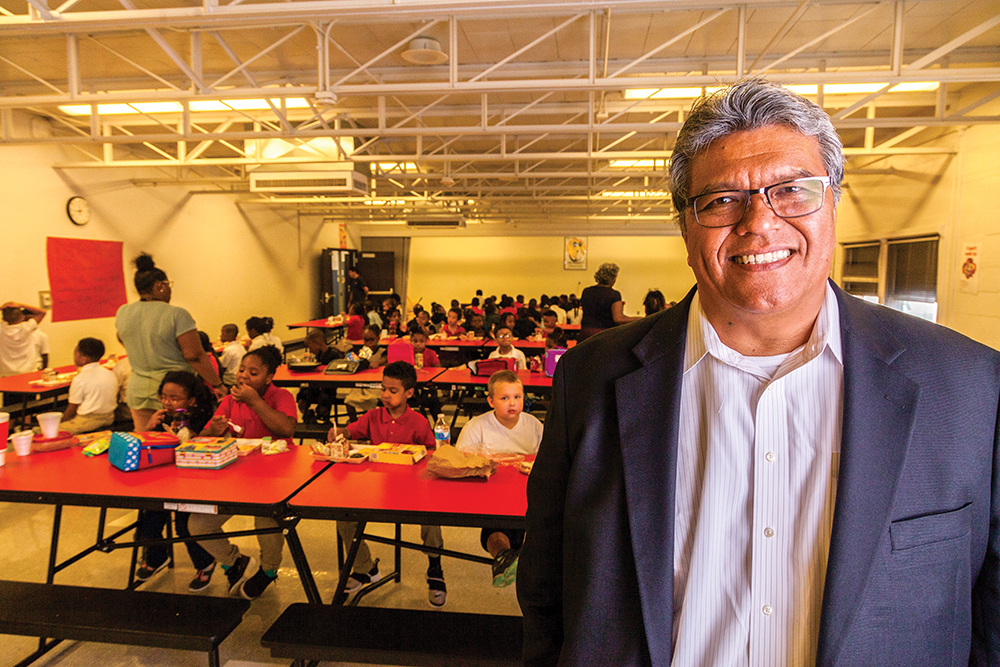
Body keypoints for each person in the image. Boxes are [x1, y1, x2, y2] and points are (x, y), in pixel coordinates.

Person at [518, 77, 1000, 666]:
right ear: (685, 225)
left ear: (834, 202)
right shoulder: (589, 380)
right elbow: (545, 595)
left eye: (792, 191)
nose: (759, 222)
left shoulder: (968, 386)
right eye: (721, 200)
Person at [326, 361, 448, 607]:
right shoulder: (373, 416)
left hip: (412, 487)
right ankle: (365, 567)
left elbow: (433, 453)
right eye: (383, 389)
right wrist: (340, 435)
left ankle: (435, 565)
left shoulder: (419, 422)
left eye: (392, 391)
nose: (385, 395)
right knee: (344, 515)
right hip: (377, 486)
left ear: (409, 393)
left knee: (431, 516)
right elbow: (352, 432)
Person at [190, 345, 297, 600]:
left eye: (253, 372)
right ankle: (233, 561)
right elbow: (202, 438)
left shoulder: (281, 396)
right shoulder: (229, 400)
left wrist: (255, 401)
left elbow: (286, 429)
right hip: (237, 476)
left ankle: (269, 570)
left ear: (269, 377)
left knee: (266, 522)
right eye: (241, 370)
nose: (244, 377)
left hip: (275, 477)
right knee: (198, 523)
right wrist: (212, 431)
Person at [115, 255, 225, 430]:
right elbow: (194, 356)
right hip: (174, 392)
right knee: (180, 442)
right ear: (160, 285)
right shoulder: (176, 315)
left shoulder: (123, 312)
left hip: (138, 390)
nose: (169, 290)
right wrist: (217, 384)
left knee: (148, 443)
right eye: (168, 285)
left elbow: (122, 338)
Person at [456, 370, 542, 588]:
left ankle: (504, 556)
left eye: (517, 397)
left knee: (524, 516)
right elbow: (461, 461)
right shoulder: (476, 426)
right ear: (490, 400)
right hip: (489, 489)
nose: (512, 403)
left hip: (526, 487)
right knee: (497, 522)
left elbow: (548, 458)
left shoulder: (534, 425)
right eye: (504, 398)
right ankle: (508, 555)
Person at [133, 370, 218, 590]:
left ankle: (205, 563)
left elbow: (200, 447)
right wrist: (149, 427)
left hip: (192, 482)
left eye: (174, 398)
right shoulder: (162, 418)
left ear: (191, 401)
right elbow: (141, 445)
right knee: (149, 518)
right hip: (164, 481)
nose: (167, 402)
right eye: (163, 397)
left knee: (184, 525)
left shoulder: (201, 419)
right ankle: (156, 557)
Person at [58, 337, 118, 435]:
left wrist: (61, 422)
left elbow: (72, 409)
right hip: (109, 417)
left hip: (87, 421)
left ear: (83, 359)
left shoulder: (80, 379)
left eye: (75, 353)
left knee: (43, 431)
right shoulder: (110, 374)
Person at [578, 263, 639, 340]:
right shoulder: (614, 294)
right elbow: (618, 318)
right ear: (613, 279)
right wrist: (640, 319)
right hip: (604, 334)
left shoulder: (586, 291)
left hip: (586, 333)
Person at [296, 329, 343, 422]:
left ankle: (322, 418)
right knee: (302, 397)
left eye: (310, 347)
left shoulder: (333, 355)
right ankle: (309, 415)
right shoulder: (318, 357)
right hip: (315, 386)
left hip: (327, 388)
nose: (310, 350)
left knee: (324, 399)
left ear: (317, 344)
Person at [0, 301, 46, 377]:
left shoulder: (1, 330)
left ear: (3, 319)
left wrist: (1, 308)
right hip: (29, 370)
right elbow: (42, 312)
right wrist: (21, 304)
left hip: (6, 373)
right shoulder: (26, 328)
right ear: (22, 317)